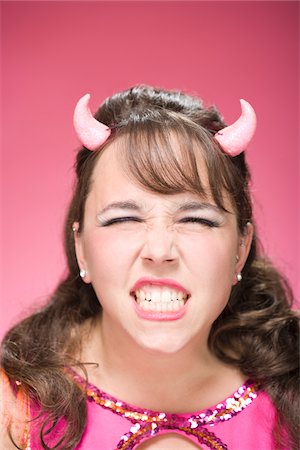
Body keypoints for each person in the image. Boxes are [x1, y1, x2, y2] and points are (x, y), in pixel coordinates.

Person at [0, 85, 298, 450]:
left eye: (197, 220)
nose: (160, 251)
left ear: (241, 247)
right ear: (81, 248)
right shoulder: (13, 409)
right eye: (124, 218)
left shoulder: (291, 399)